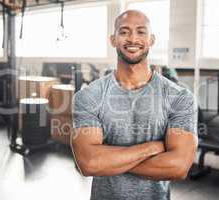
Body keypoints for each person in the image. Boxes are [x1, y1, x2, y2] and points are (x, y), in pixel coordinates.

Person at [71, 10, 198, 200]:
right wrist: (152, 148)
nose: (132, 39)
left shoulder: (179, 97)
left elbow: (179, 166)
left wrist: (108, 161)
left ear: (151, 40)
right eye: (124, 32)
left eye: (141, 32)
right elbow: (88, 163)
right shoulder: (89, 96)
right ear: (113, 40)